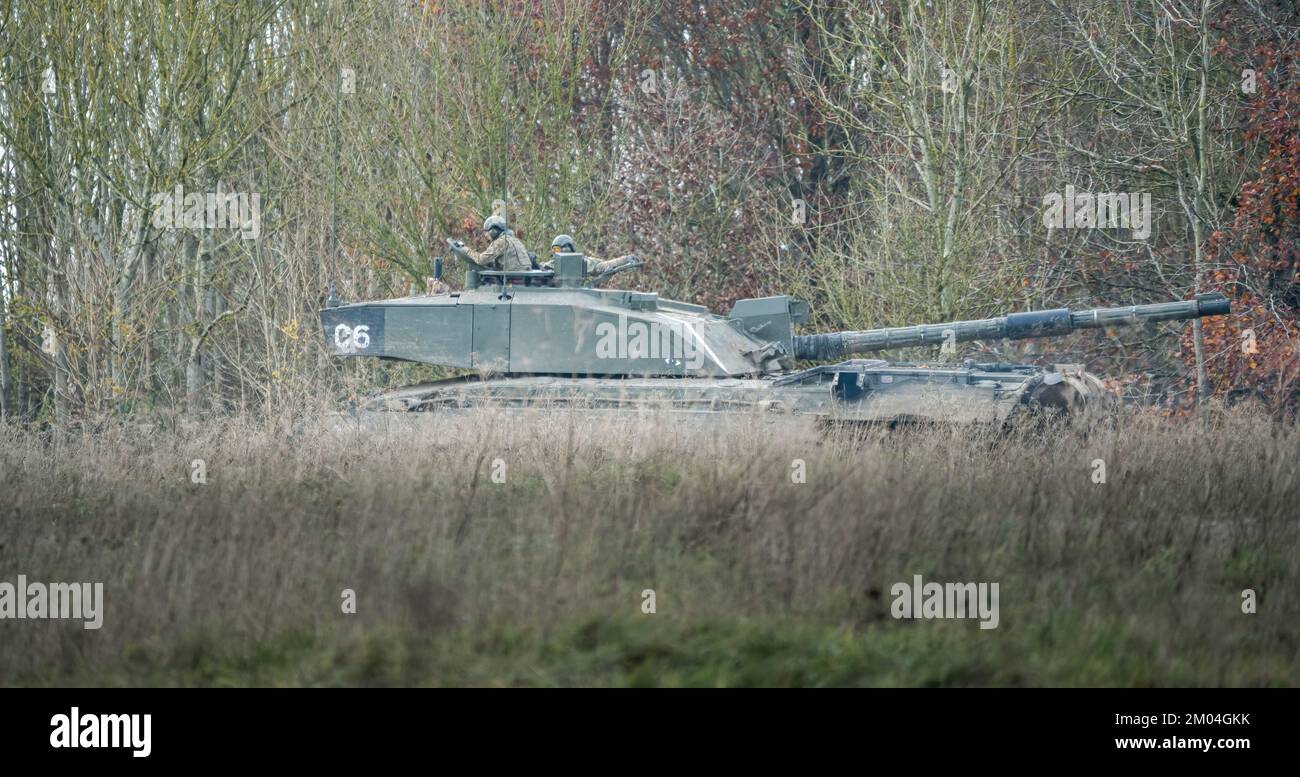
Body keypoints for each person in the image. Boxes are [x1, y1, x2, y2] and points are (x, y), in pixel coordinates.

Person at [448, 215, 532, 272]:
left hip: (512, 279)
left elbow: (481, 260)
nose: (485, 235)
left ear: (494, 231)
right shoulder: (514, 240)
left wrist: (466, 250)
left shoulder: (501, 242)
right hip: (521, 276)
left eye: (487, 231)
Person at [546, 234, 638, 276]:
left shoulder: (582, 263)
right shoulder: (550, 264)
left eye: (557, 249)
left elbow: (602, 266)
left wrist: (625, 260)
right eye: (553, 249)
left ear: (567, 248)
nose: (554, 252)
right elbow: (540, 269)